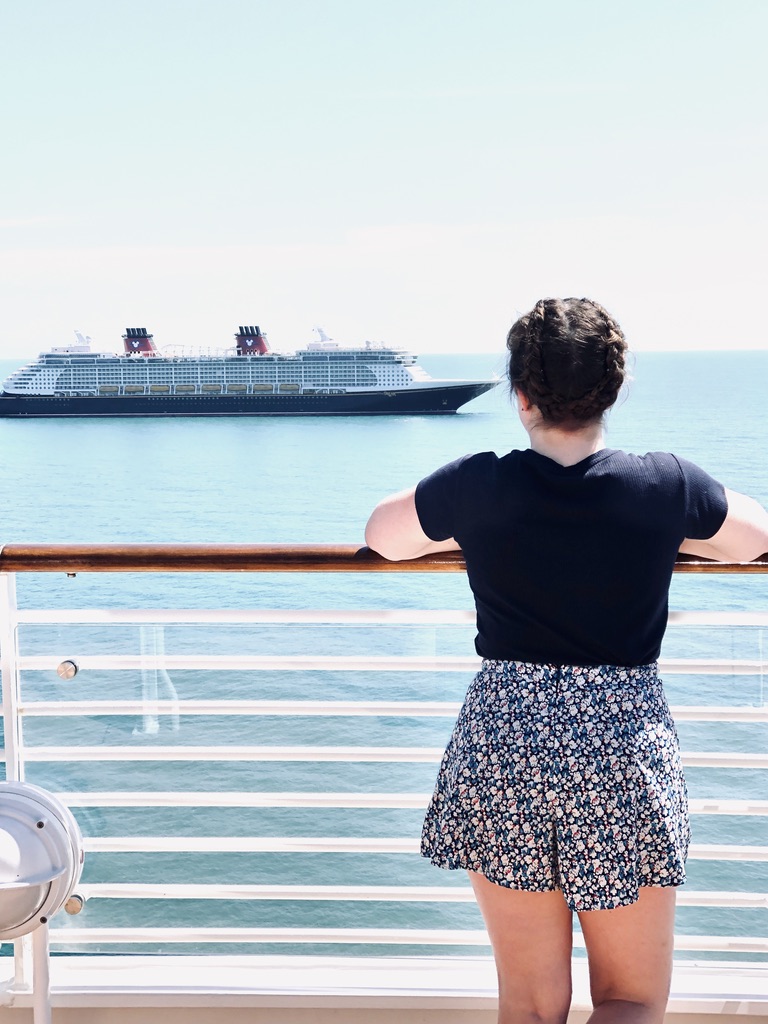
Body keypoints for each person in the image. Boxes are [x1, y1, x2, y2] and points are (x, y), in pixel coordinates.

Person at [364, 297, 768, 1024]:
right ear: (612, 390)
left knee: (528, 1003)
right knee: (631, 998)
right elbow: (752, 538)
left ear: (520, 396)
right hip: (618, 745)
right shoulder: (664, 484)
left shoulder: (480, 483)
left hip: (507, 740)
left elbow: (384, 535)